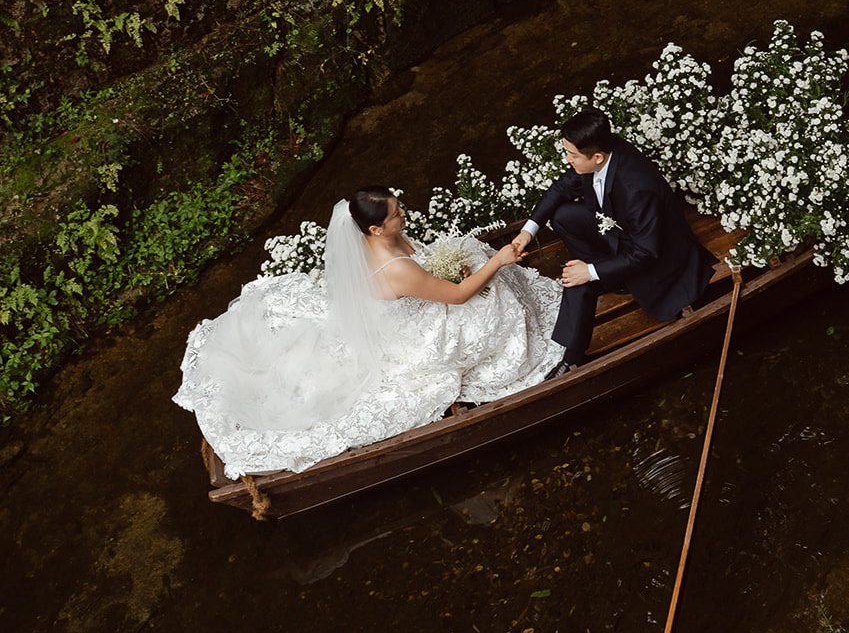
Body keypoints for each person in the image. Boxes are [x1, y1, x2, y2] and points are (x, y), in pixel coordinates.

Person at [173, 190, 564, 478]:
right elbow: (460, 297)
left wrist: (446, 271)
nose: (404, 214)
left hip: (404, 305)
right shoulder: (396, 268)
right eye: (396, 214)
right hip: (418, 332)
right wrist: (499, 258)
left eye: (398, 206)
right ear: (376, 228)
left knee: (474, 261)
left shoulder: (370, 239)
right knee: (490, 296)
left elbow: (426, 274)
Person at [513, 108, 721, 375]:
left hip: (655, 256)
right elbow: (562, 187)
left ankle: (572, 359)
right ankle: (607, 274)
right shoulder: (601, 152)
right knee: (563, 216)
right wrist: (528, 231)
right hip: (618, 230)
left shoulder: (637, 188)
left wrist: (589, 271)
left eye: (572, 155)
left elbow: (647, 251)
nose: (568, 161)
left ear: (597, 157)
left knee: (579, 280)